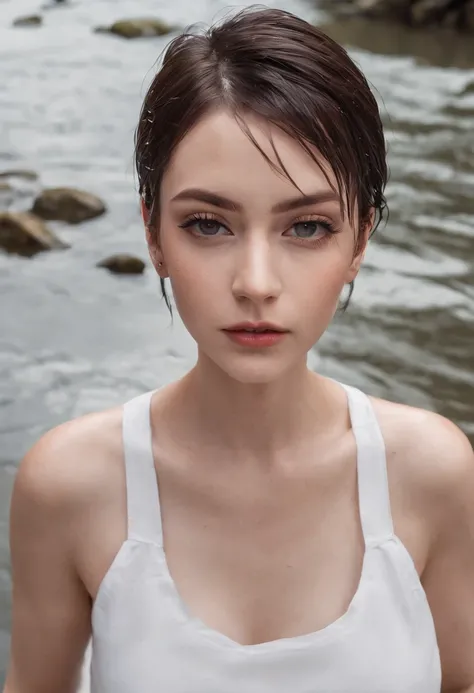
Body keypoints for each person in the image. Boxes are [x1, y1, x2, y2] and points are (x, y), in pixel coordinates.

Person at [4, 7, 474, 693]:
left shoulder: (433, 473)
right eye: (207, 224)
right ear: (153, 233)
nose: (256, 283)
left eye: (308, 227)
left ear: (360, 241)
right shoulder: (71, 485)